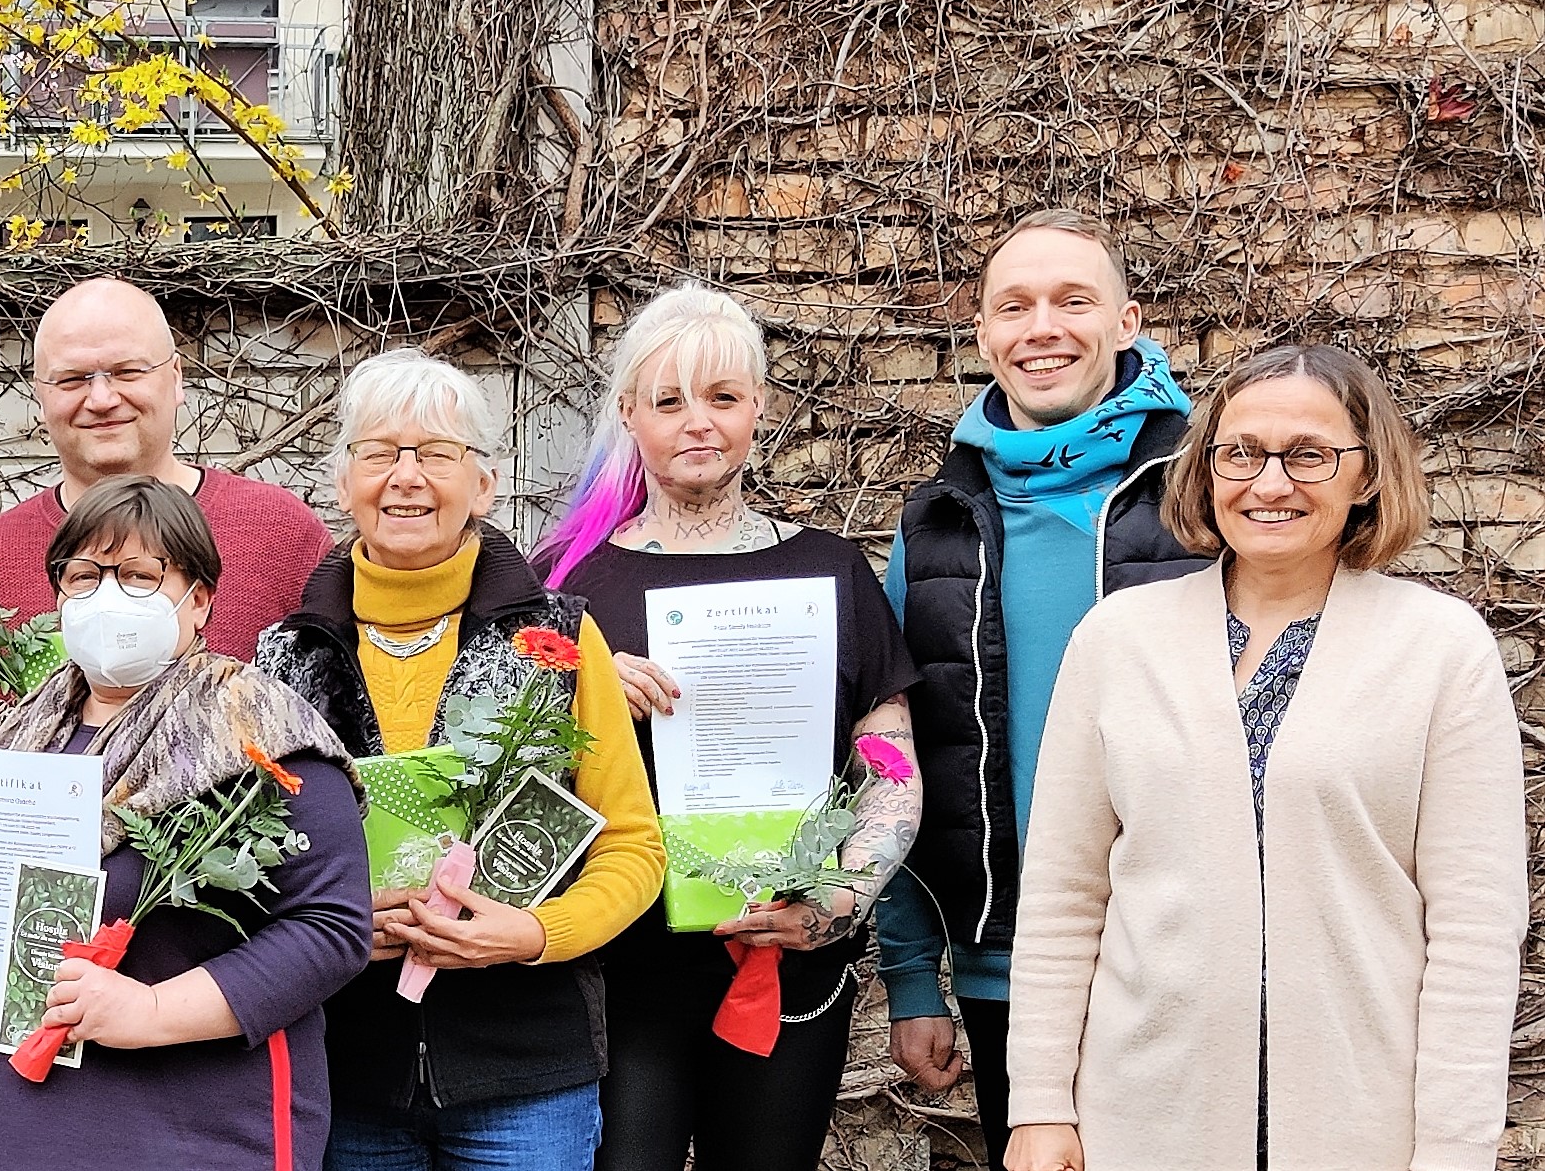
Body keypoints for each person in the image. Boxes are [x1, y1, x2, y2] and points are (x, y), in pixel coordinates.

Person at [1004, 343, 1524, 1171]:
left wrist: (1454, 1148)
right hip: (1140, 1115)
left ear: (1365, 474)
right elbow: (1066, 894)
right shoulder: (1115, 639)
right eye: (1239, 452)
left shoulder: (1438, 648)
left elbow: (1473, 929)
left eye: (1308, 454)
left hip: (1360, 1122)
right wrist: (1038, 1104)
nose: (1269, 483)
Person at [525, 287, 922, 1171]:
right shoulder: (563, 581)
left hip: (786, 959)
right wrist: (580, 691)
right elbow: (509, 783)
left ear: (759, 409)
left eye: (723, 397)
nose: (696, 422)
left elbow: (888, 762)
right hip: (618, 966)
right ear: (628, 413)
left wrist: (839, 900)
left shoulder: (827, 567)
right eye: (667, 400)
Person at [251, 349, 663, 1171]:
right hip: (345, 1072)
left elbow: (632, 844)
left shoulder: (558, 638)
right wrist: (329, 925)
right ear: (342, 482)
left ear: (484, 484)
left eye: (437, 453)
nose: (406, 477)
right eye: (379, 452)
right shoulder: (282, 656)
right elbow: (262, 861)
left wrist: (535, 931)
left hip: (526, 1068)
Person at [870, 210, 1208, 1168]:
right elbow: (893, 754)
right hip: (1003, 960)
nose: (1041, 326)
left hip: (1189, 953)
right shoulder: (936, 524)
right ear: (982, 335)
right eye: (1012, 306)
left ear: (1127, 321)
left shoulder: (1204, 494)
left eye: (1072, 300)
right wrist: (911, 977)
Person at [0, 475, 371, 1171]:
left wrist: (151, 1011)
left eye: (138, 574)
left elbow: (331, 928)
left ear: (200, 598)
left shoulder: (258, 733)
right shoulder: (19, 740)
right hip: (33, 1118)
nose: (107, 596)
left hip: (200, 1119)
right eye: (84, 575)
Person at [0, 278, 331, 859]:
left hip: (240, 917)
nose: (100, 398)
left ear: (175, 380)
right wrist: (2, 810)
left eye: (126, 372)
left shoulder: (282, 535)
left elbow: (341, 725)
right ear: (40, 396)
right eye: (73, 379)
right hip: (44, 915)